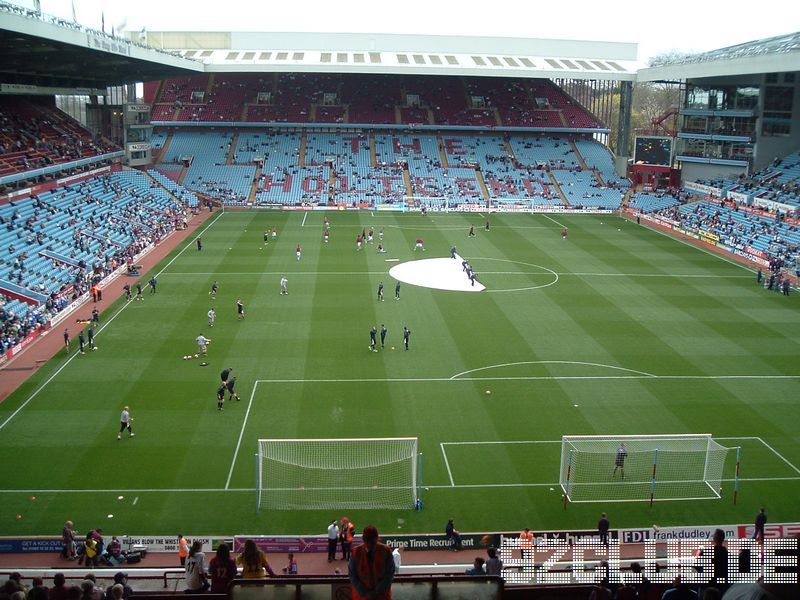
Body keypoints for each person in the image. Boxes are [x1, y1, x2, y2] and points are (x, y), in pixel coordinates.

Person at [348, 525, 394, 600]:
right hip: (367, 596)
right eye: (367, 541)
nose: (370, 544)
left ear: (377, 539)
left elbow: (389, 574)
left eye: (372, 542)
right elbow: (352, 575)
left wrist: (374, 592)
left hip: (378, 596)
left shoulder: (386, 551)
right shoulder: (355, 552)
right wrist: (369, 593)